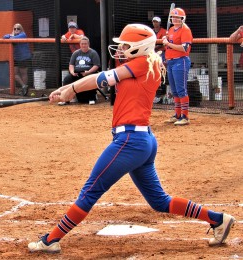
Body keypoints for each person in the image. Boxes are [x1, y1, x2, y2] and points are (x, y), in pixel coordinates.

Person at [27, 24, 235, 254]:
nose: (121, 48)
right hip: (142, 140)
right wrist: (66, 88)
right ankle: (218, 219)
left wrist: (72, 90)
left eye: (126, 45)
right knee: (160, 201)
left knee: (90, 192)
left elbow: (100, 78)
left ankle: (50, 240)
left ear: (139, 48)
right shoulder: (149, 62)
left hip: (130, 142)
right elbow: (98, 78)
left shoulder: (142, 63)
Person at [162, 8, 193, 126]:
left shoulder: (185, 30)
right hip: (170, 61)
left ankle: (185, 116)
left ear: (182, 19)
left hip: (181, 60)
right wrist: (165, 40)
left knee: (181, 90)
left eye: (177, 17)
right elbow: (168, 46)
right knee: (174, 90)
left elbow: (184, 48)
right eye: (174, 17)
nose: (175, 19)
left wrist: (168, 43)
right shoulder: (170, 29)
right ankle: (177, 114)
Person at [59, 36, 100, 105]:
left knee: (91, 79)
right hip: (77, 73)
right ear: (80, 44)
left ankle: (91, 98)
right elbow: (71, 65)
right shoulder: (76, 53)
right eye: (82, 44)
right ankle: (65, 99)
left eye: (85, 44)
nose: (84, 45)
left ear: (88, 44)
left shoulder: (93, 53)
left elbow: (96, 65)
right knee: (67, 79)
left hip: (88, 73)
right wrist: (72, 72)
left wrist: (88, 72)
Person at [3, 23, 32, 96]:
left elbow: (13, 38)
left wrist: (11, 36)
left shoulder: (23, 34)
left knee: (23, 73)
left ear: (21, 29)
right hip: (16, 57)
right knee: (13, 74)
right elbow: (4, 36)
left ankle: (24, 90)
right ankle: (23, 86)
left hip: (24, 57)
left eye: (18, 28)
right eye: (15, 29)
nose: (16, 30)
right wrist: (11, 35)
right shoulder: (13, 35)